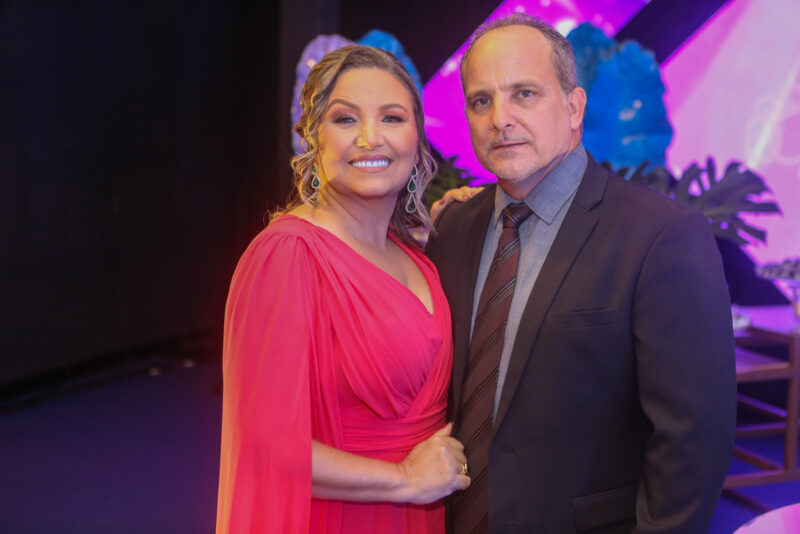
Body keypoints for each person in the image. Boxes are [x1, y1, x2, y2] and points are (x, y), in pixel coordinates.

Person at [426, 14, 736, 534]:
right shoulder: (452, 228)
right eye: (481, 100)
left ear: (574, 107)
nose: (500, 118)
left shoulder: (662, 236)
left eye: (524, 94)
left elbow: (692, 442)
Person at [215, 45, 470, 534]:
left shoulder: (417, 256)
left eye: (392, 118)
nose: (370, 138)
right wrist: (405, 479)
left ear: (417, 139)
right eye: (346, 119)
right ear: (314, 137)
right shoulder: (288, 254)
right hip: (342, 517)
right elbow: (266, 445)